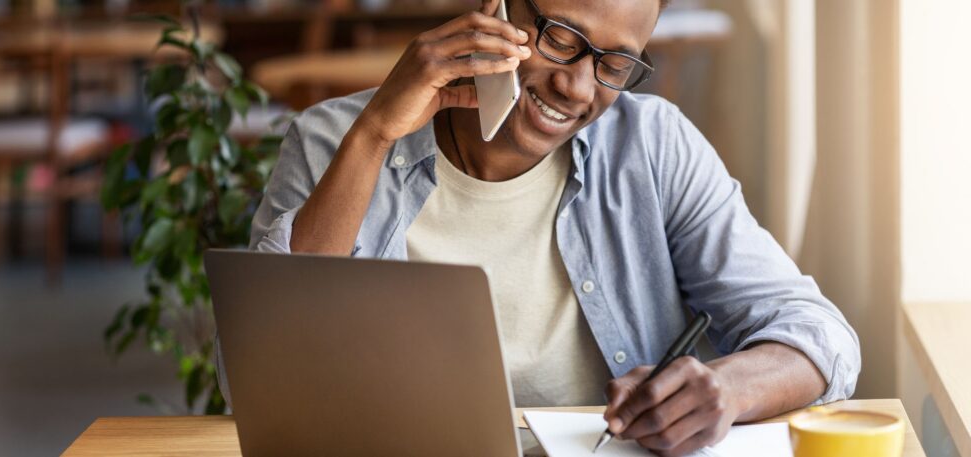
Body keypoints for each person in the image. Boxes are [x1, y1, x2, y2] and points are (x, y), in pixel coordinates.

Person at [244, 0, 860, 454]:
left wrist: (723, 388)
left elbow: (821, 337)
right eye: (562, 37)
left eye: (616, 63)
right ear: (495, 9)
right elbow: (260, 375)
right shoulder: (334, 140)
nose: (577, 86)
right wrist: (377, 131)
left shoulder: (652, 146)